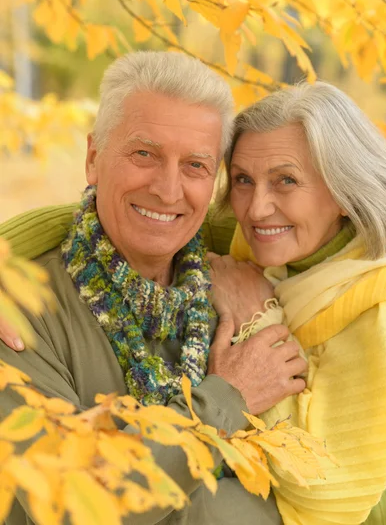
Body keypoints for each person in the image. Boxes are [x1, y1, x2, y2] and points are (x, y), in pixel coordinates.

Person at [0, 51, 307, 525]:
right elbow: (71, 506)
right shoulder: (19, 315)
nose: (168, 190)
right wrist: (227, 397)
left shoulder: (247, 279)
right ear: (94, 159)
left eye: (196, 166)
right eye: (144, 154)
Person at [208, 81, 386, 524]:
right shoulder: (255, 238)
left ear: (343, 192)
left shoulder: (383, 299)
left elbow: (329, 496)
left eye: (286, 181)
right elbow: (138, 216)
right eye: (242, 180)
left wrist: (257, 311)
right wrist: (11, 263)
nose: (256, 209)